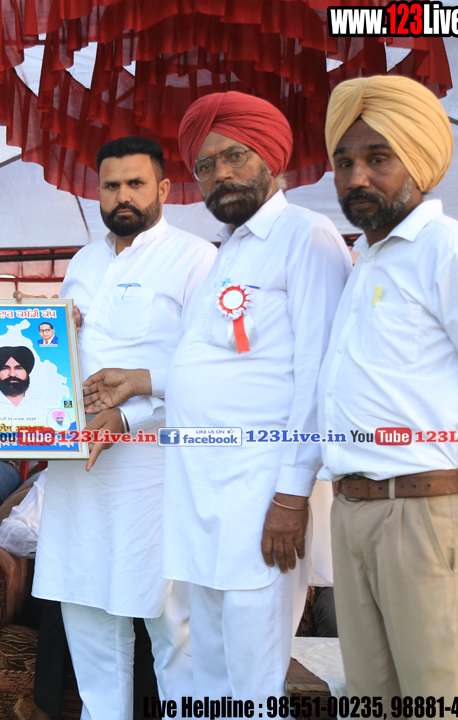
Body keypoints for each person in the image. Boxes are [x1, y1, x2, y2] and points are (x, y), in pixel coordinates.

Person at [318, 75, 458, 701]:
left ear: (419, 163)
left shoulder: (453, 251)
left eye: (379, 159)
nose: (356, 178)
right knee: (369, 701)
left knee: (442, 703)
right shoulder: (364, 260)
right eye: (344, 162)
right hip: (351, 512)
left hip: (424, 514)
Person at [162, 93, 351, 697]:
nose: (220, 174)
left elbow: (321, 372)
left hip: (261, 494)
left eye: (234, 156)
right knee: (210, 668)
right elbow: (208, 363)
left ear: (271, 157)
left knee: (253, 674)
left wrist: (292, 496)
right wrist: (139, 383)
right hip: (201, 492)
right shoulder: (228, 251)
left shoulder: (308, 235)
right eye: (205, 165)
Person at [31, 136, 215, 710]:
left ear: (164, 188)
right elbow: (59, 359)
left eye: (136, 183)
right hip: (78, 470)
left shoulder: (196, 259)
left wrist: (128, 416)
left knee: (174, 630)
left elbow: (205, 368)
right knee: (87, 619)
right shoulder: (84, 262)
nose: (122, 196)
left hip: (154, 471)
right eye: (111, 186)